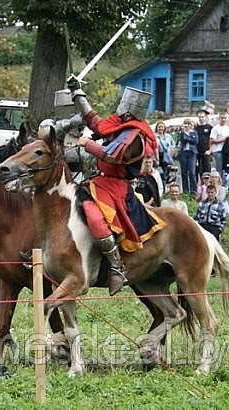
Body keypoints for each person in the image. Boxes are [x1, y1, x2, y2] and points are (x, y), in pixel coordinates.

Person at [69, 80, 165, 295]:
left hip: (115, 188)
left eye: (123, 110)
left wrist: (87, 144)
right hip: (98, 181)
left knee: (95, 217)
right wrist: (78, 93)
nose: (118, 113)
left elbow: (111, 156)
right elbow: (96, 122)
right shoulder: (122, 126)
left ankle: (116, 266)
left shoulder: (135, 137)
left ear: (130, 114)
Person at [177, 119, 198, 194]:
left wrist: (187, 138)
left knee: (192, 172)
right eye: (185, 123)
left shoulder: (194, 132)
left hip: (192, 153)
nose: (187, 125)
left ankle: (193, 190)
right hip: (183, 152)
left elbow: (195, 141)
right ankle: (185, 190)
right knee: (184, 172)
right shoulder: (181, 132)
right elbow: (181, 139)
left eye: (188, 123)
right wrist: (184, 133)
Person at [209, 113, 229, 180]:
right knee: (219, 169)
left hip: (226, 151)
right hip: (217, 150)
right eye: (222, 118)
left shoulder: (228, 128)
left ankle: (224, 185)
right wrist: (223, 139)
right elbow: (212, 140)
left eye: (225, 118)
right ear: (219, 118)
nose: (223, 119)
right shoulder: (215, 128)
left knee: (225, 169)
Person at [195, 110, 213, 178]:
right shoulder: (195, 128)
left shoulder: (209, 127)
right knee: (198, 170)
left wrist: (210, 150)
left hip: (206, 151)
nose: (201, 118)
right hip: (197, 152)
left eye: (202, 117)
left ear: (205, 117)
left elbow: (212, 140)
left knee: (207, 169)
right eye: (199, 117)